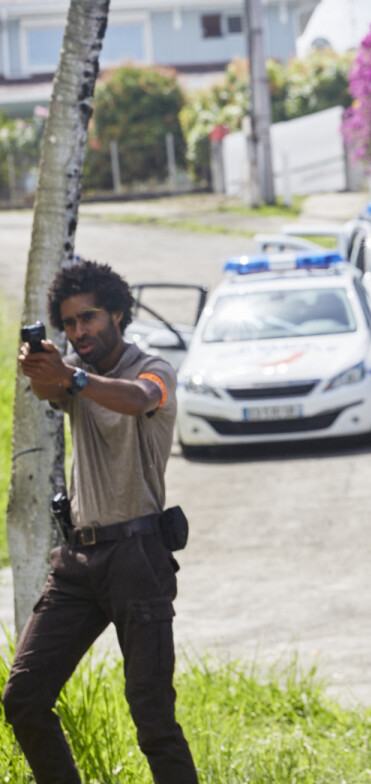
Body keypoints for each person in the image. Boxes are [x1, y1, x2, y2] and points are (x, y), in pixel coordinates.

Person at [3, 259, 199, 784]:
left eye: (87, 318)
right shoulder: (73, 374)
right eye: (67, 324)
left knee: (153, 721)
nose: (78, 332)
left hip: (138, 559)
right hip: (78, 563)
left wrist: (74, 375)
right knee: (23, 698)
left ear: (116, 312)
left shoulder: (152, 367)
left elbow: (139, 400)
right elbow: (52, 391)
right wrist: (44, 369)